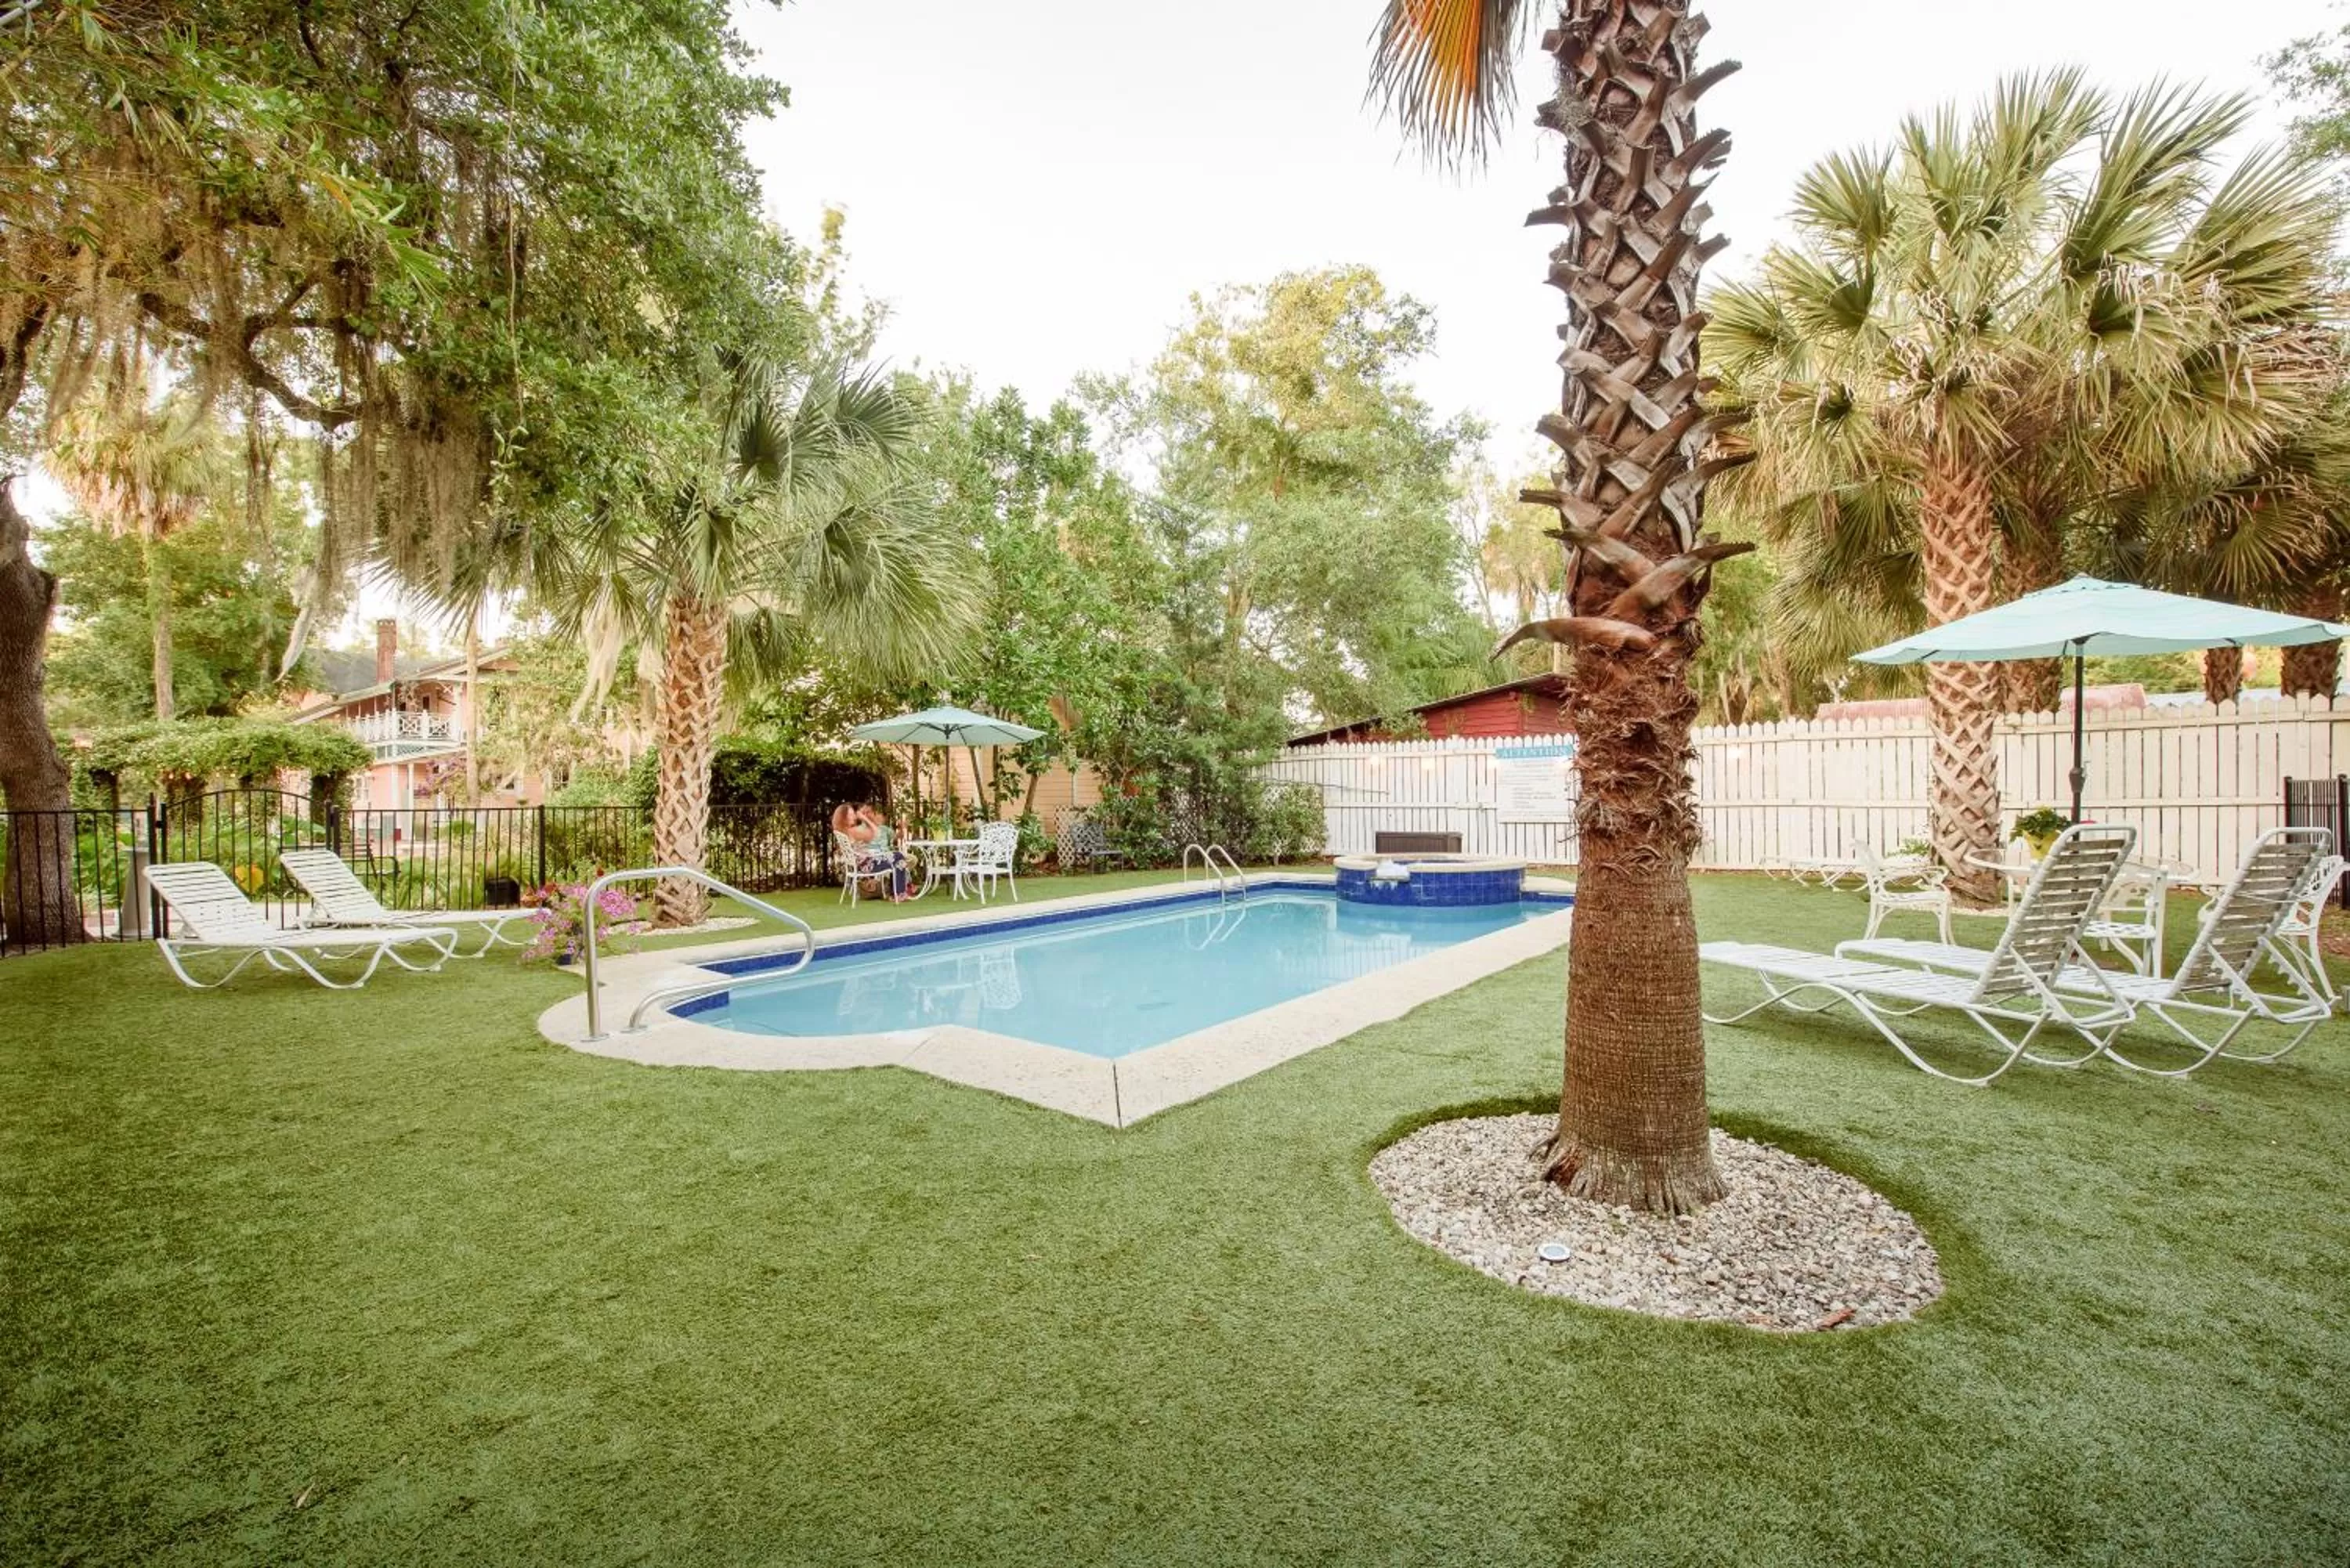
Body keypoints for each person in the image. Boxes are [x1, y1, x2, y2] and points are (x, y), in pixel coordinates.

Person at [831, 800, 909, 901]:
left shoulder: (843, 831)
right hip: (869, 865)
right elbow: (876, 832)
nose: (855, 816)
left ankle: (897, 893)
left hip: (864, 864)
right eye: (851, 814)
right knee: (899, 857)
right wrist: (865, 819)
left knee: (897, 858)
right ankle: (899, 894)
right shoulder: (853, 831)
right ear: (845, 817)